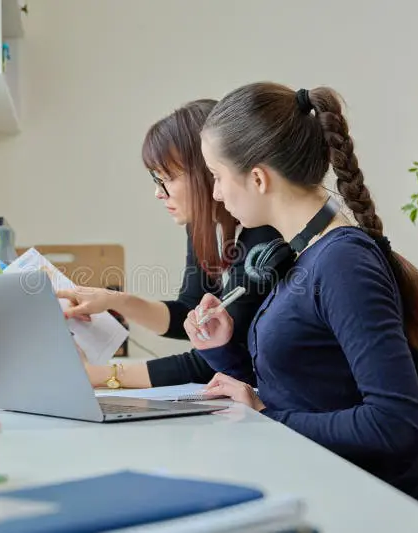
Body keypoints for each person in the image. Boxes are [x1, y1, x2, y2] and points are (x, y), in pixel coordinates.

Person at [183, 82, 418, 503]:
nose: (214, 193)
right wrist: (223, 350)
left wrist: (267, 417)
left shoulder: (342, 264)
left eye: (216, 176)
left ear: (257, 178)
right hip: (306, 479)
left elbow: (396, 427)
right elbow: (302, 393)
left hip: (351, 501)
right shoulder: (307, 256)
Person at [57, 99, 281, 389]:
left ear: (209, 170)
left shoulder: (262, 238)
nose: (158, 193)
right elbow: (189, 313)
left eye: (165, 178)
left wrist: (100, 375)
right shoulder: (203, 225)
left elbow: (210, 358)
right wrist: (114, 301)